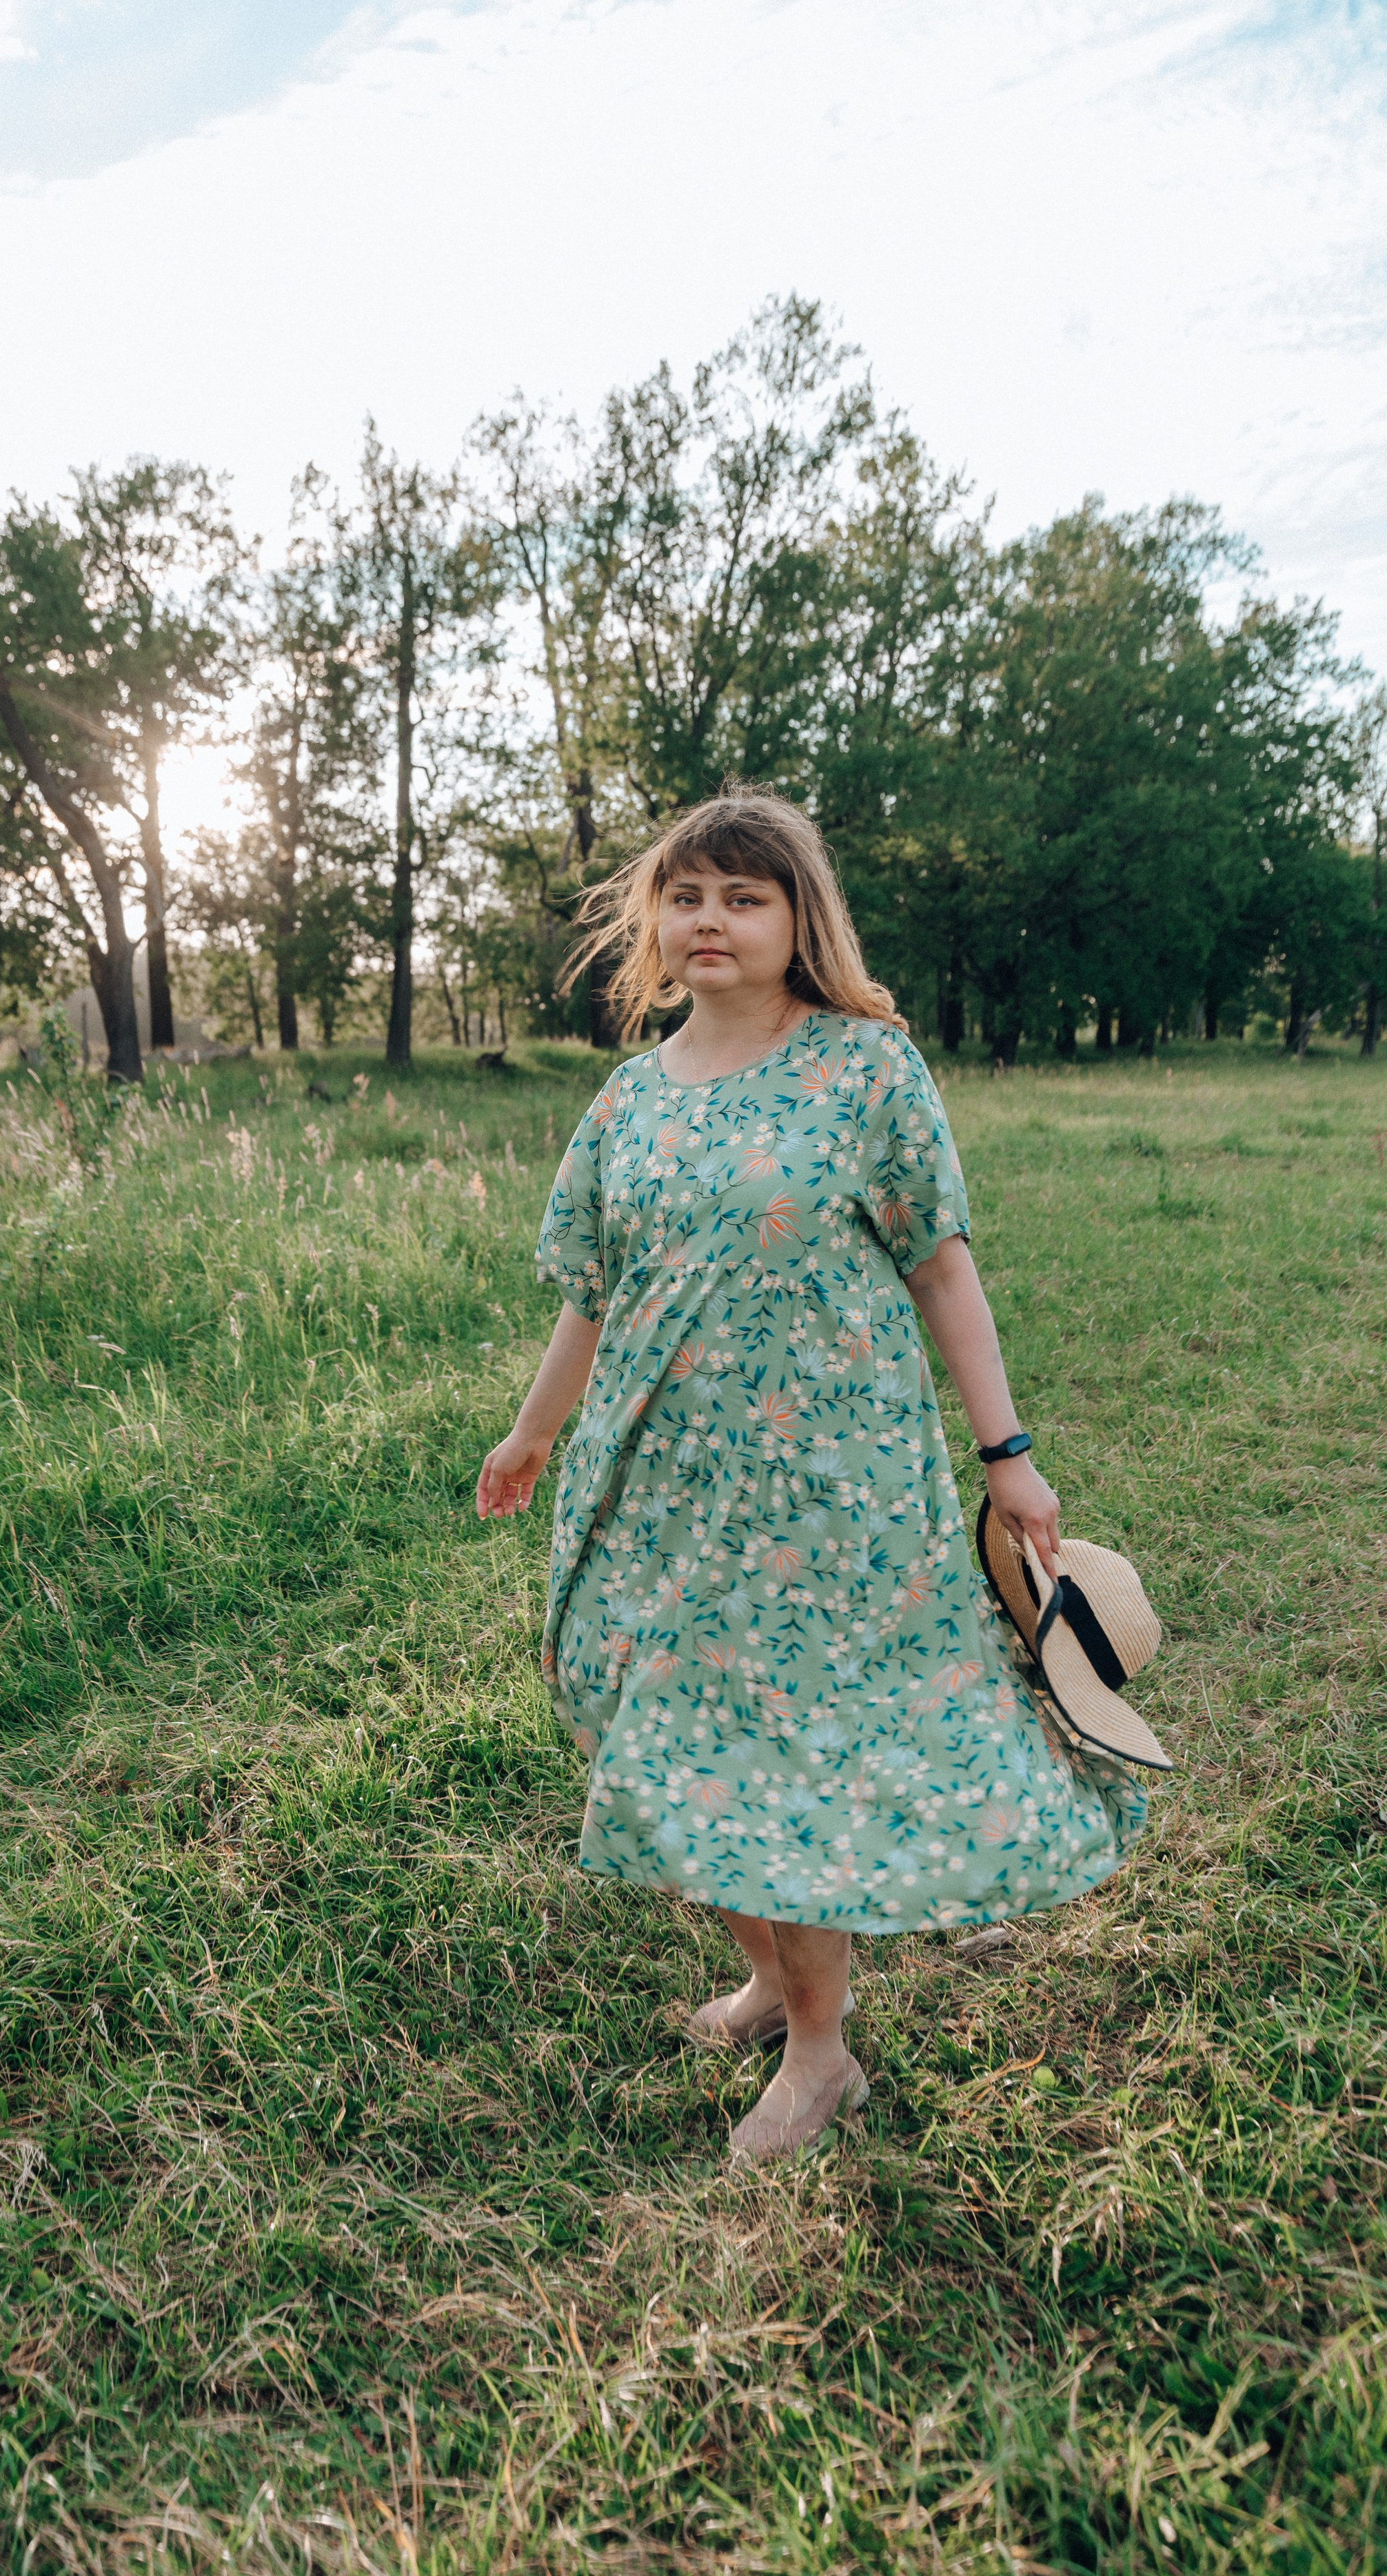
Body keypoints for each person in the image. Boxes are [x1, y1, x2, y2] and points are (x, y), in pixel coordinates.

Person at [475, 789, 1145, 2162]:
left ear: (797, 921)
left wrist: (1004, 1452)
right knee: (647, 1726)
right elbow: (590, 1295)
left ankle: (823, 2053)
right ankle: (776, 1984)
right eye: (685, 894)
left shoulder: (863, 1068)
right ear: (653, 923)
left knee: (792, 1755)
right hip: (654, 1476)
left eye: (743, 895)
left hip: (825, 1485)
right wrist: (533, 1431)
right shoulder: (626, 1101)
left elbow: (939, 1263)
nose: (707, 918)